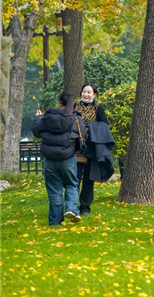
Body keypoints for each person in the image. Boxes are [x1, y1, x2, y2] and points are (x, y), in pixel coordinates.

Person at [31, 91, 81, 226]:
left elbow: (36, 131)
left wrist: (38, 118)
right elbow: (82, 134)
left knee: (54, 189)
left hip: (50, 159)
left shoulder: (47, 118)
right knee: (72, 184)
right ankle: (71, 208)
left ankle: (55, 222)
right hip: (68, 157)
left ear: (59, 103)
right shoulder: (75, 118)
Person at [74, 83, 109, 216]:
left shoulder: (98, 108)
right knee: (74, 180)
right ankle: (73, 206)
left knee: (89, 181)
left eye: (89, 92)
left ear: (94, 94)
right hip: (76, 149)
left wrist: (90, 128)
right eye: (84, 92)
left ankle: (85, 207)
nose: (86, 94)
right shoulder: (74, 107)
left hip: (92, 149)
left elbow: (105, 125)